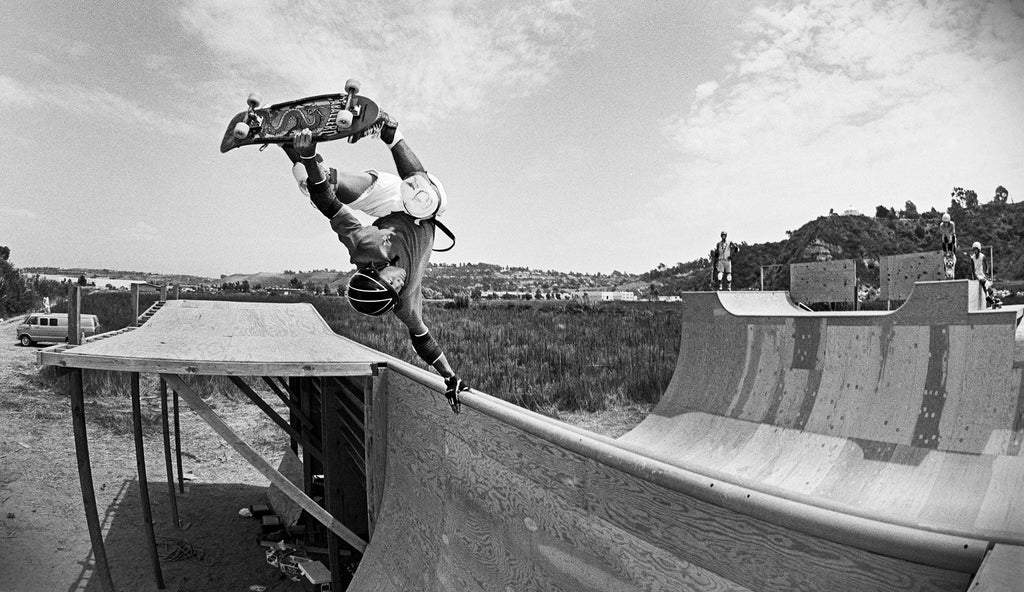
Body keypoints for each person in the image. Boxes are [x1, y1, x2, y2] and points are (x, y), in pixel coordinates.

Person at [288, 112, 468, 413]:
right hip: (422, 209)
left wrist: (307, 158)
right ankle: (390, 133)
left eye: (391, 280)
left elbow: (329, 207)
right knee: (426, 199)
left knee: (312, 183)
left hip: (388, 202)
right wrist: (450, 377)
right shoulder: (404, 305)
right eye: (398, 288)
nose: (400, 281)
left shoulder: (364, 248)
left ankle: (296, 145)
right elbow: (423, 340)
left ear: (374, 270)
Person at [968, 241, 999, 308]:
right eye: (973, 250)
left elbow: (987, 265)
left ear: (979, 249)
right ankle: (988, 296)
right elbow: (972, 269)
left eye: (975, 249)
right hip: (976, 275)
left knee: (986, 283)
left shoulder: (982, 256)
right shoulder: (972, 258)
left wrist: (987, 272)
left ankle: (992, 297)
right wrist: (974, 277)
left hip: (982, 274)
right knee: (984, 282)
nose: (974, 251)